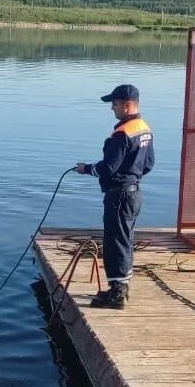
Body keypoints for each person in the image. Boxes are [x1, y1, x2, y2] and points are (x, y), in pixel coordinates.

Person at [76, 84, 154, 309]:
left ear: (128, 105)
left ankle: (117, 295)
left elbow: (107, 168)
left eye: (115, 103)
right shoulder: (144, 128)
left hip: (119, 196)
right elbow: (148, 164)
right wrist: (131, 175)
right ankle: (120, 288)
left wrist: (86, 168)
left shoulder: (123, 133)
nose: (112, 108)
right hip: (134, 194)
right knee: (125, 241)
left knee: (115, 243)